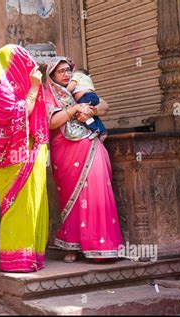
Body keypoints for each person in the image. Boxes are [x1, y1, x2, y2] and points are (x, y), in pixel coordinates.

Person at [44, 57, 124, 263]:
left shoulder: (79, 88)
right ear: (51, 76)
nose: (65, 74)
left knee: (98, 192)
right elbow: (52, 122)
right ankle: (73, 245)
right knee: (73, 200)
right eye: (60, 71)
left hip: (91, 145)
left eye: (67, 70)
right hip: (65, 153)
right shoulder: (48, 96)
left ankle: (100, 245)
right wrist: (73, 110)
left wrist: (92, 110)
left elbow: (104, 105)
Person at [0, 44, 50, 273]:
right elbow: (17, 114)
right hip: (10, 156)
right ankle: (16, 259)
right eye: (22, 64)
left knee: (33, 204)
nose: (29, 69)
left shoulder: (21, 87)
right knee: (16, 206)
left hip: (31, 152)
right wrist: (33, 88)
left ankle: (32, 256)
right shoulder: (0, 90)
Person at [66, 69, 108, 140]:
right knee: (93, 117)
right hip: (92, 97)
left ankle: (95, 130)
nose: (68, 75)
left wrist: (65, 91)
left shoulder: (77, 76)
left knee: (84, 115)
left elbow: (105, 106)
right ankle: (102, 130)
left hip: (85, 98)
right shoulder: (87, 79)